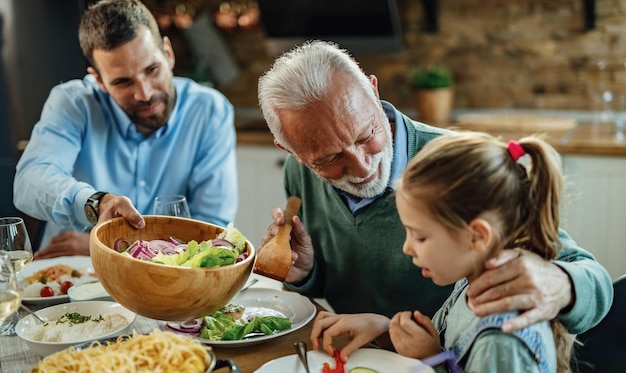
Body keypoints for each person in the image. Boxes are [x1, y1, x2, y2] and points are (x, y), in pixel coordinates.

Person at [257, 40, 612, 335]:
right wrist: (307, 273)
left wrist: (562, 284)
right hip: (366, 364)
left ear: (374, 90)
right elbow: (339, 286)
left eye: (368, 134)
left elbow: (595, 281)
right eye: (330, 158)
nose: (363, 166)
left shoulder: (455, 165)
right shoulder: (298, 174)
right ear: (293, 152)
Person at [313, 132, 575, 373]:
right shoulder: (472, 280)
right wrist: (387, 330)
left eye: (421, 237)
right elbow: (446, 351)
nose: (407, 248)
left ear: (477, 237)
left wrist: (430, 359)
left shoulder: (504, 337)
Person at [13, 0, 237, 259]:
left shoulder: (209, 111)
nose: (145, 93)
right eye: (122, 81)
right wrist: (96, 203)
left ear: (168, 53)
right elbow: (29, 181)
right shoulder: (73, 103)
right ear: (99, 81)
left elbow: (210, 227)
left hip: (163, 282)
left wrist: (106, 245)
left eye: (152, 70)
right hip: (72, 276)